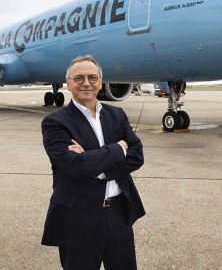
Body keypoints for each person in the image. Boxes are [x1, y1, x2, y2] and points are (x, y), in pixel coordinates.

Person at [41, 55, 146, 270]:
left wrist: (95, 164)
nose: (86, 83)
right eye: (79, 78)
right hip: (78, 217)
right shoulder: (55, 122)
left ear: (100, 82)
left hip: (118, 214)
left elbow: (137, 156)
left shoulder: (116, 114)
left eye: (92, 77)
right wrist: (119, 148)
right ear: (68, 83)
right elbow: (76, 166)